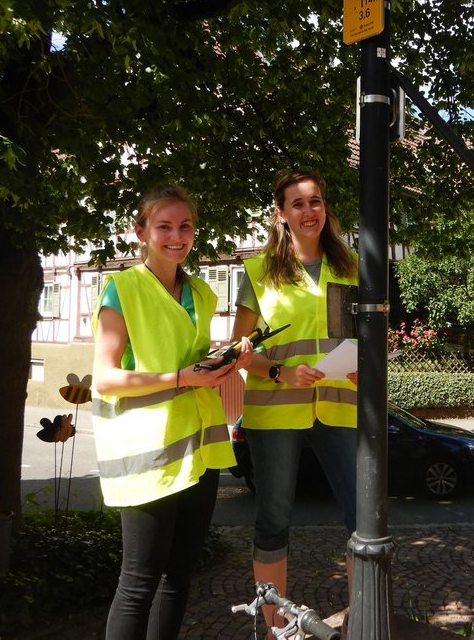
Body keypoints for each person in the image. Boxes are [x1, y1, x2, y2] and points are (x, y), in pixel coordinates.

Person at [91, 184, 253, 640]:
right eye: (164, 226)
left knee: (179, 577)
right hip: (147, 452)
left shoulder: (201, 292)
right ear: (141, 231)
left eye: (185, 227)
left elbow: (191, 361)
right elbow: (104, 378)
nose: (176, 236)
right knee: (138, 583)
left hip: (199, 449)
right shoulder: (120, 288)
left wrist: (224, 361)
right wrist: (183, 377)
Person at [230, 167, 358, 638]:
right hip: (275, 410)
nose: (310, 211)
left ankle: (360, 618)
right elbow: (240, 350)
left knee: (362, 516)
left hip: (342, 405)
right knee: (273, 521)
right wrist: (282, 372)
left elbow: (357, 338)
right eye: (298, 204)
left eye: (316, 201)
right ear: (281, 214)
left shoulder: (352, 268)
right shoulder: (258, 271)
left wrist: (364, 364)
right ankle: (273, 627)